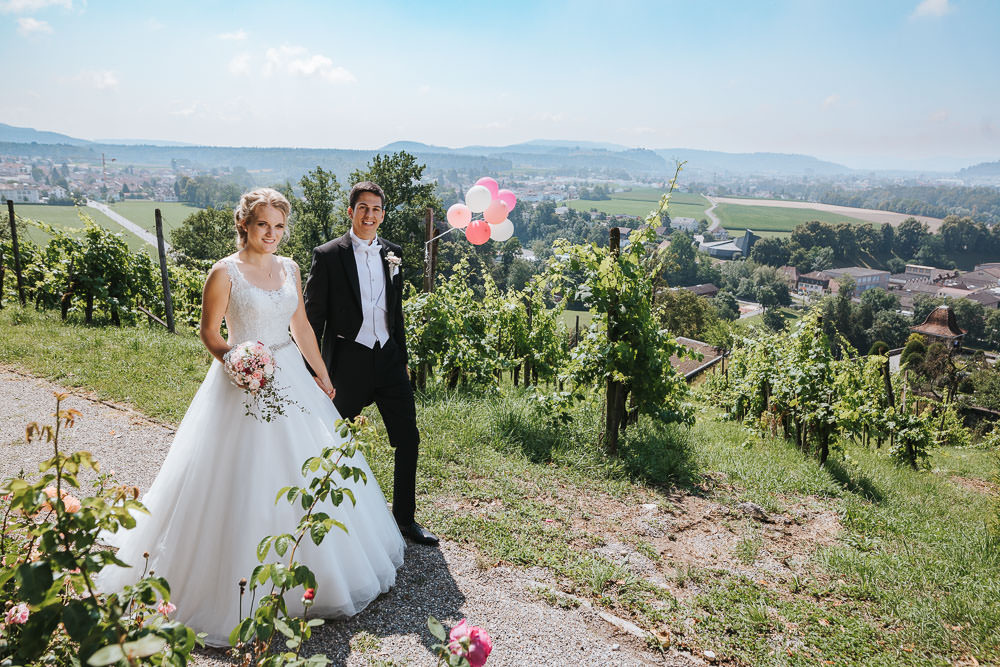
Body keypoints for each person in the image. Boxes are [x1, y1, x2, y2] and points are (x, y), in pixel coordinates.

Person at [98, 188, 404, 647]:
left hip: (293, 380)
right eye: (264, 225)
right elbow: (209, 331)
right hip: (242, 379)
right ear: (245, 224)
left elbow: (299, 324)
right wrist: (237, 360)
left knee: (309, 469)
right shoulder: (224, 272)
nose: (273, 235)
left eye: (280, 227)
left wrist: (321, 373)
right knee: (238, 476)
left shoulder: (290, 268)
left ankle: (315, 570)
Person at [303, 181, 438, 546]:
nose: (370, 215)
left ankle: (405, 520)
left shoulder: (392, 253)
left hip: (389, 359)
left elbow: (396, 314)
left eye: (377, 209)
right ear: (350, 211)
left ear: (382, 214)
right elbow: (311, 319)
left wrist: (403, 359)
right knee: (332, 440)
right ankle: (325, 514)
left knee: (408, 438)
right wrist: (313, 370)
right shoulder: (328, 255)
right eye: (363, 207)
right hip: (347, 361)